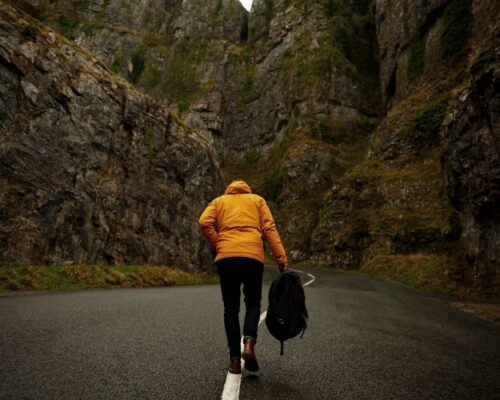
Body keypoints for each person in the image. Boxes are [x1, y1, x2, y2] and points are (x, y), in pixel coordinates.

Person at [198, 180, 288, 374]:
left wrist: (218, 243)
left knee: (230, 307)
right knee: (253, 302)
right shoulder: (257, 201)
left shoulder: (219, 201)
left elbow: (204, 222)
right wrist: (280, 257)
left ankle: (235, 361)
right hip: (252, 257)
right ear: (248, 189)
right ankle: (248, 342)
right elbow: (269, 229)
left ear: (229, 190)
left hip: (226, 258)